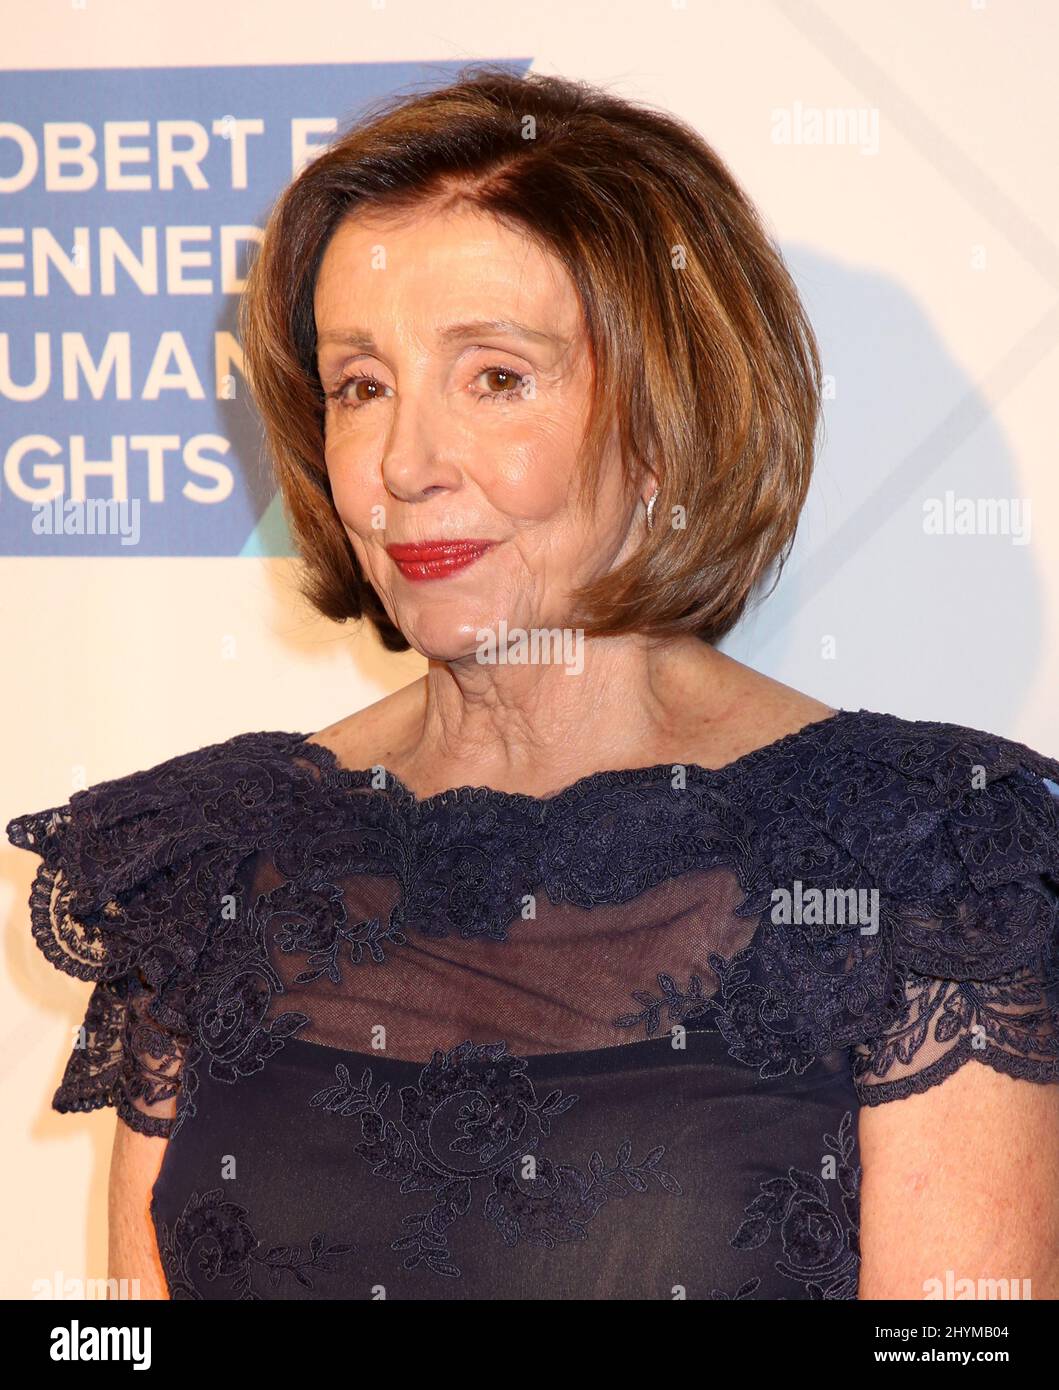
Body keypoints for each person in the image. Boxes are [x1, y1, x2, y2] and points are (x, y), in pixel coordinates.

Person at [8, 67, 1059, 1301]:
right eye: (361, 387)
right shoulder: (206, 863)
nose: (402, 462)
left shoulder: (933, 850)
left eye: (496, 377)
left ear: (666, 418)